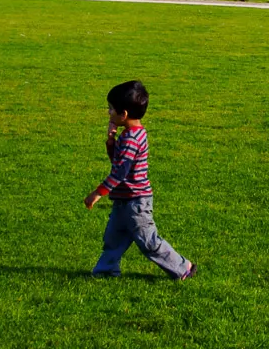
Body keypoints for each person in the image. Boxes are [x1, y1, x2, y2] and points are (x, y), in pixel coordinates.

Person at [84, 80, 197, 279]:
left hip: (136, 202)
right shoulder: (132, 133)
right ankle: (107, 270)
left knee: (149, 242)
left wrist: (97, 193)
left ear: (124, 114)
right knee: (114, 238)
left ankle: (183, 267)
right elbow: (118, 162)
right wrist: (111, 142)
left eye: (111, 109)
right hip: (124, 200)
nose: (108, 113)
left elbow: (119, 172)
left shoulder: (130, 139)